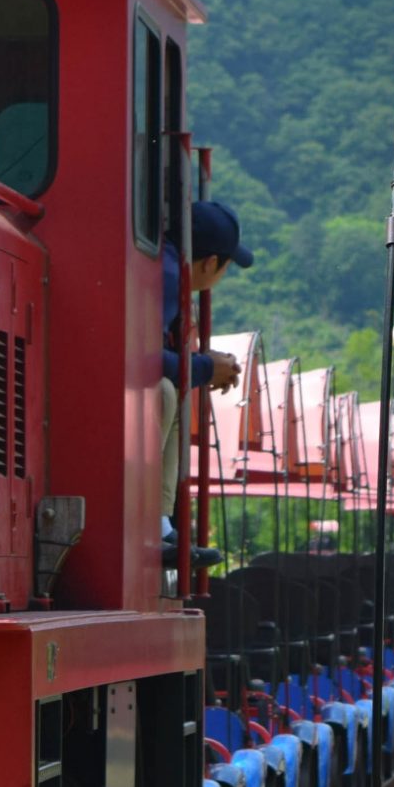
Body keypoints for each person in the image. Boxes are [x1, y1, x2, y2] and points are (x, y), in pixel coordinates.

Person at [160, 200, 250, 567]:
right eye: (226, 266)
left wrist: (201, 366)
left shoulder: (165, 269)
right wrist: (202, 368)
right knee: (166, 393)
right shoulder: (168, 277)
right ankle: (155, 523)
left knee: (174, 394)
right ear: (211, 263)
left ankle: (161, 523)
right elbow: (138, 358)